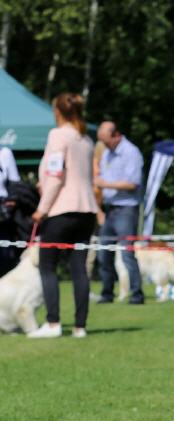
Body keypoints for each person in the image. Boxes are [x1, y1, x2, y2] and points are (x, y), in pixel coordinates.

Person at [27, 93, 99, 338]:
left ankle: (53, 323)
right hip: (86, 210)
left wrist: (42, 209)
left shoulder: (58, 135)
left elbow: (56, 175)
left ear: (58, 110)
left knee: (47, 266)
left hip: (61, 210)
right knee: (79, 268)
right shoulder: (86, 139)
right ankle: (80, 326)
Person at [95, 121, 145, 304]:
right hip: (110, 209)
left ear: (116, 135)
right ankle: (107, 292)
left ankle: (137, 294)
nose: (104, 145)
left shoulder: (131, 152)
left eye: (106, 141)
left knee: (127, 254)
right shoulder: (107, 152)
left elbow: (132, 183)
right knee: (104, 254)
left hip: (126, 208)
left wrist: (104, 184)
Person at [0, 145, 22, 275]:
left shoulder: (4, 152)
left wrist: (11, 202)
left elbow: (15, 184)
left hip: (3, 213)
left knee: (4, 257)